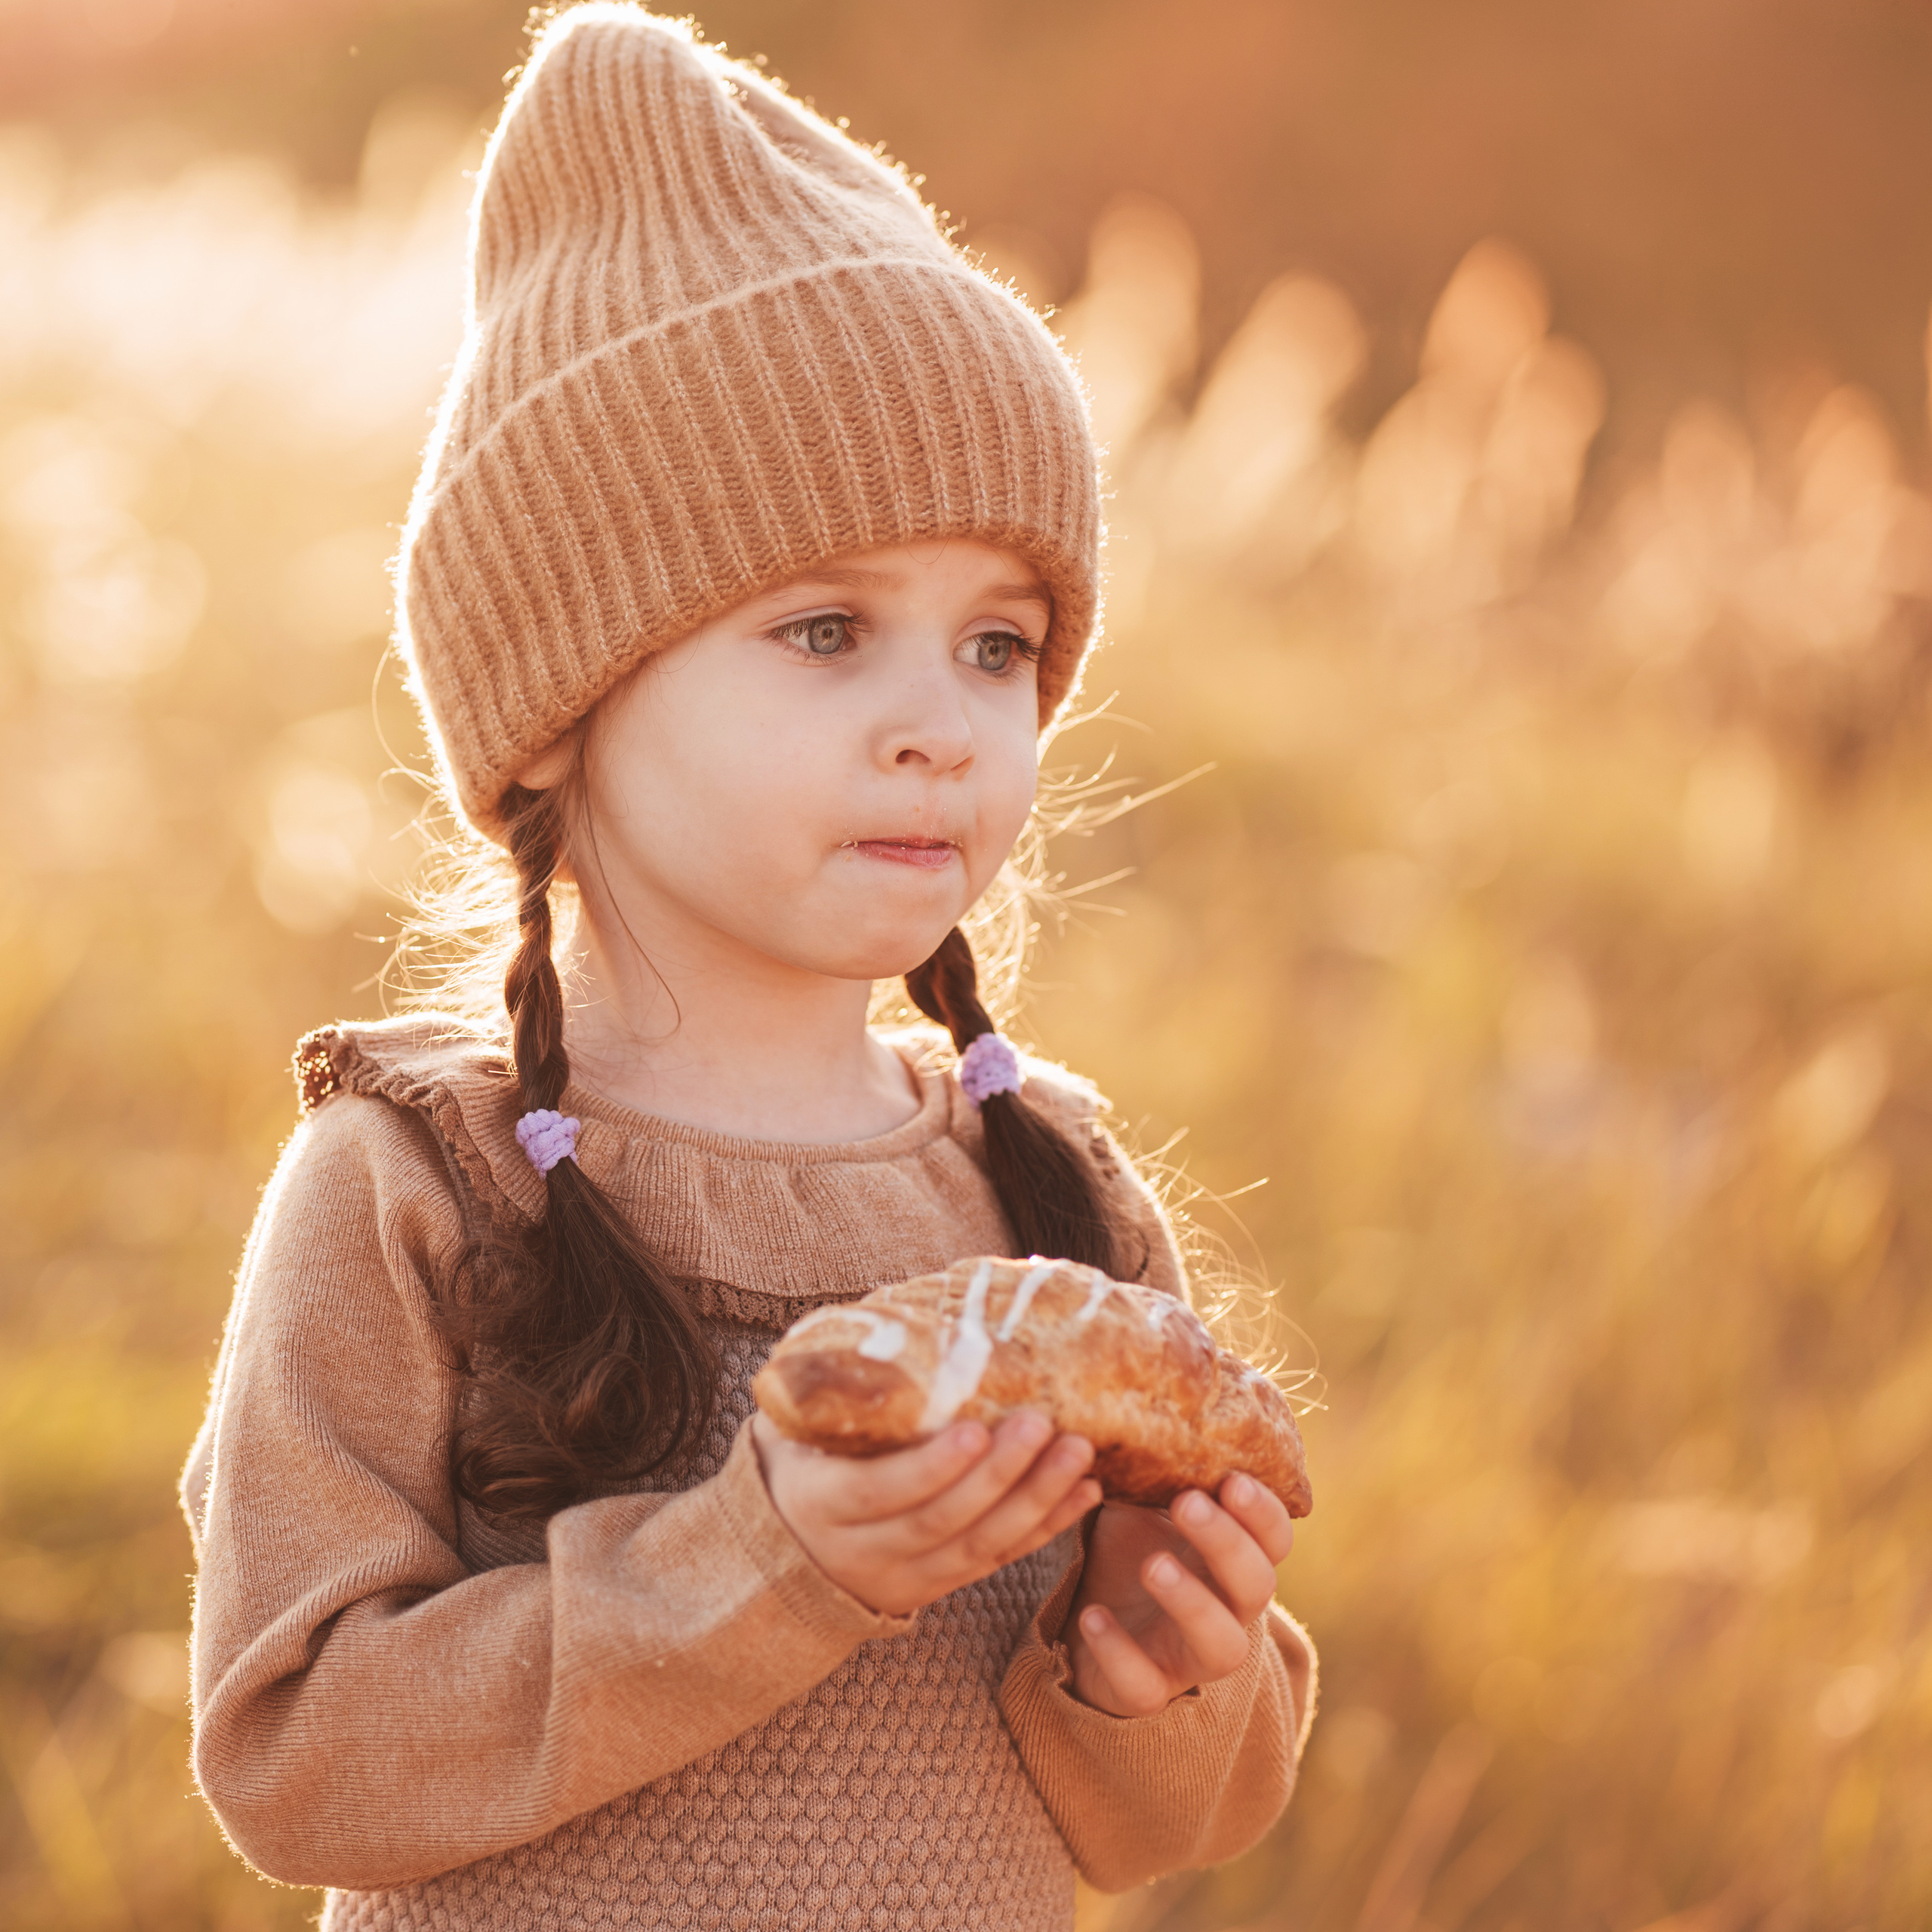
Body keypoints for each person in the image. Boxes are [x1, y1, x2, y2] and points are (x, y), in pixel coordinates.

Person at [180, 8, 1315, 1927]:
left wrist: (1153, 1664)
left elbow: (1162, 1819)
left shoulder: (1048, 1194)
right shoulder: (415, 1189)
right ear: (555, 710)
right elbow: (297, 1750)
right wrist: (761, 1559)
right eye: (821, 629)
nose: (940, 723)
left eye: (995, 640)